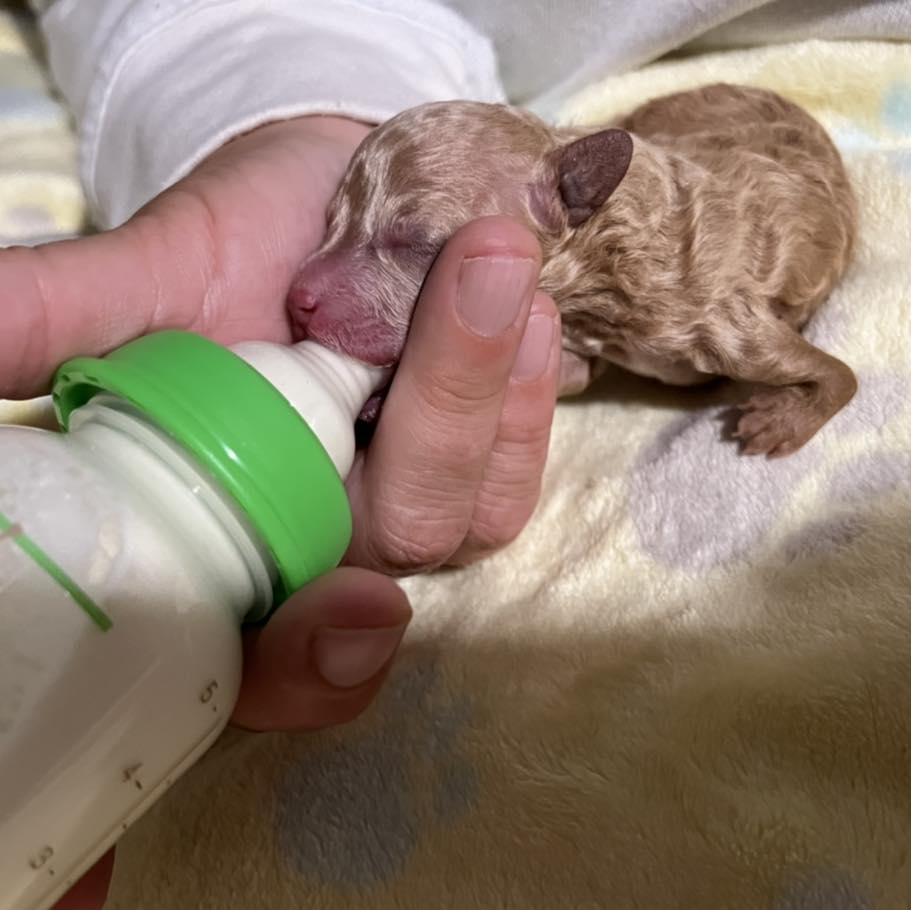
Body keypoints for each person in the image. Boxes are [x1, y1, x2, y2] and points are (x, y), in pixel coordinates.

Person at [5, 2, 906, 907]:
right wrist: (297, 118)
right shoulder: (550, 207)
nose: (308, 291)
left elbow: (819, 377)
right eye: (339, 224)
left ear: (577, 202)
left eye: (411, 248)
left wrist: (795, 408)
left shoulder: (698, 308)